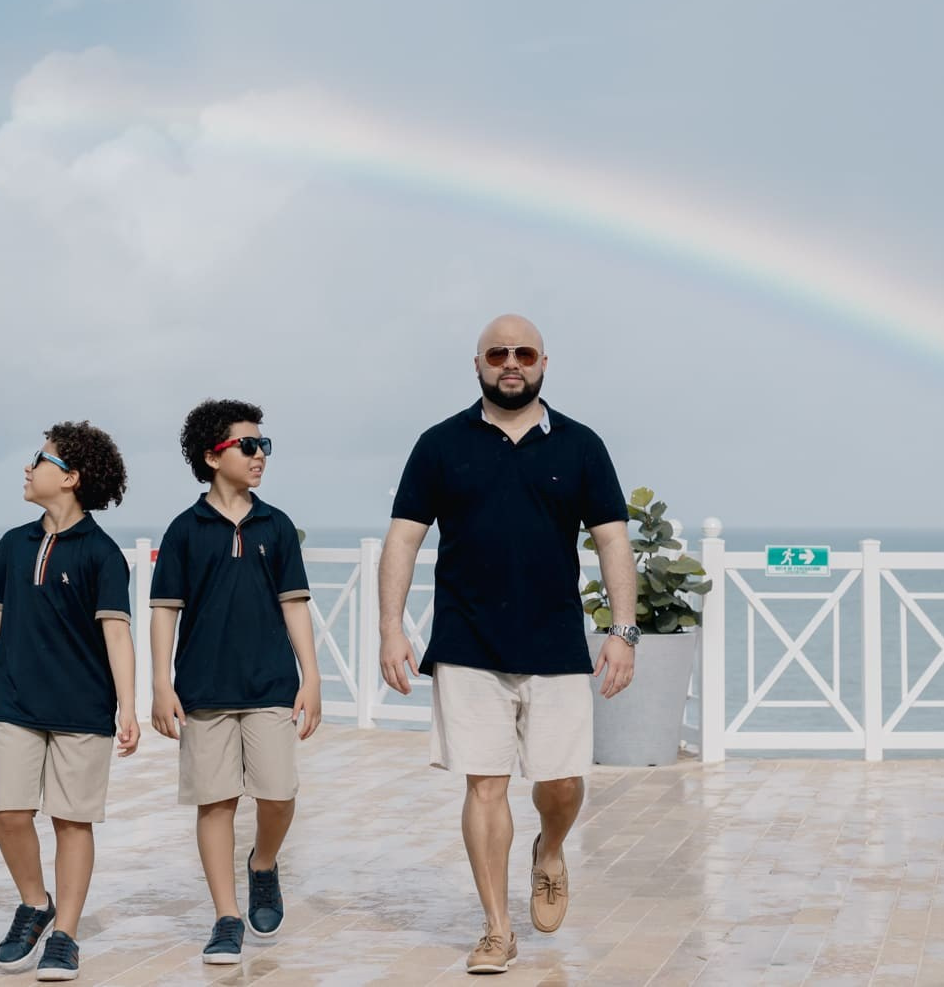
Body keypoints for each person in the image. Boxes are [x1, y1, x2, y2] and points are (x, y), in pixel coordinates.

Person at [378, 315, 640, 975]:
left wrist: (623, 630)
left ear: (544, 361)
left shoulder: (581, 445)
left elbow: (612, 540)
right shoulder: (440, 444)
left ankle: (549, 850)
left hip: (555, 641)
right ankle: (497, 928)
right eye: (498, 353)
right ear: (478, 364)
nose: (511, 362)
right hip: (467, 641)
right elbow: (404, 538)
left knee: (560, 782)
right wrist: (390, 628)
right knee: (485, 783)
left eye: (523, 352)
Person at [0, 422, 139, 982]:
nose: (29, 468)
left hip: (84, 711)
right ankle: (35, 903)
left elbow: (117, 635)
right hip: (14, 704)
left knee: (72, 822)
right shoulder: (13, 544)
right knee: (8, 813)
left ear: (72, 478)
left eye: (41, 459)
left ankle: (65, 935)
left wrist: (128, 705)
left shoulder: (104, 555)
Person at [150, 400, 321, 966]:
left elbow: (295, 606)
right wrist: (160, 683)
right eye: (247, 445)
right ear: (211, 456)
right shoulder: (183, 530)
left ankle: (264, 864)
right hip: (203, 690)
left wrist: (311, 676)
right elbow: (164, 612)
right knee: (214, 803)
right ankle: (226, 917)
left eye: (263, 445)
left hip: (271, 684)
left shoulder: (276, 526)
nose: (259, 455)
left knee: (279, 793)